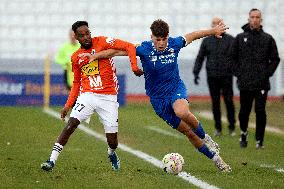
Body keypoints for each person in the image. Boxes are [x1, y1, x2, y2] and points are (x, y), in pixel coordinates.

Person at [84, 19, 232, 172]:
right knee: (188, 132)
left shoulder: (175, 43)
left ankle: (206, 137)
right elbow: (117, 51)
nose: (161, 43)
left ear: (168, 37)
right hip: (158, 100)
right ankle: (216, 159)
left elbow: (193, 35)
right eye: (158, 39)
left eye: (164, 39)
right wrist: (96, 56)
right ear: (152, 37)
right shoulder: (143, 48)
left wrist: (213, 31)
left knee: (181, 111)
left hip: (175, 88)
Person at [41, 21, 143, 171]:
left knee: (113, 141)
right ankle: (51, 160)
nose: (86, 37)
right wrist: (68, 105)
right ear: (76, 38)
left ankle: (111, 152)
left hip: (108, 97)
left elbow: (129, 46)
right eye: (82, 35)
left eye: (88, 33)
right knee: (71, 124)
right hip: (88, 95)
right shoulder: (76, 57)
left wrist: (134, 67)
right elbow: (76, 83)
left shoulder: (103, 41)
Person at [230, 9, 280, 149]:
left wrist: (267, 73)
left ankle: (259, 141)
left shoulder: (268, 38)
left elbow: (275, 59)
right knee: (244, 111)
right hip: (245, 83)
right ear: (248, 19)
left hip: (261, 83)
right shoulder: (240, 38)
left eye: (257, 17)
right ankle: (244, 133)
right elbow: (231, 58)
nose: (255, 19)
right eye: (252, 17)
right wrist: (239, 73)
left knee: (260, 111)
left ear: (261, 20)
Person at [193, 17, 236, 137]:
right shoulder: (207, 41)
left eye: (218, 24)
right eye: (213, 24)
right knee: (215, 102)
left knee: (228, 101)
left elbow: (237, 58)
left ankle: (232, 127)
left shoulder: (231, 40)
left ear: (223, 25)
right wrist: (196, 72)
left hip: (227, 76)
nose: (216, 26)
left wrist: (238, 73)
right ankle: (218, 128)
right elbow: (200, 57)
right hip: (212, 76)